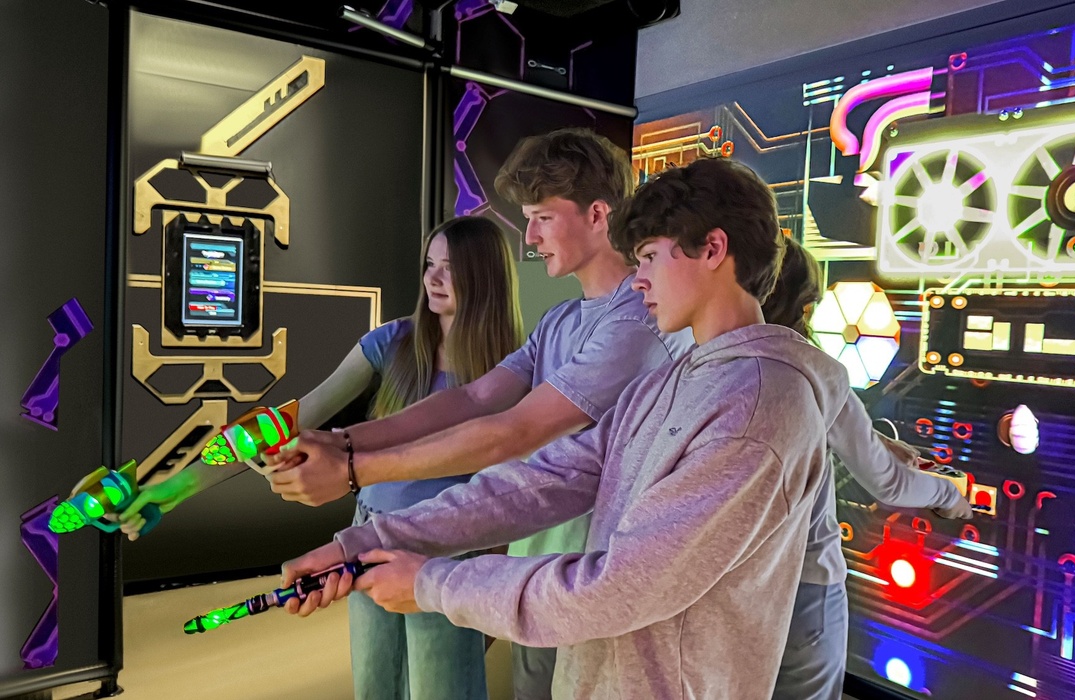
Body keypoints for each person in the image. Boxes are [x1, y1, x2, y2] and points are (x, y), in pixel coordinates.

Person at [278, 158, 971, 699]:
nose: (635, 281)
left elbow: (618, 587)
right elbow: (545, 477)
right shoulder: (671, 378)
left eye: (647, 257)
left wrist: (430, 583)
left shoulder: (762, 404)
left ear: (712, 250)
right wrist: (367, 540)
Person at [266, 127, 694, 699]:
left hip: (600, 571)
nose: (531, 236)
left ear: (598, 213)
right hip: (534, 559)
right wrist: (345, 446)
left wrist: (351, 468)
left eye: (542, 216)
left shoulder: (635, 320)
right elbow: (474, 399)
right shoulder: (561, 320)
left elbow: (515, 431)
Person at [119, 216, 523, 700]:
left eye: (450, 268)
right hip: (368, 535)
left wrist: (496, 579)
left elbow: (516, 487)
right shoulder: (392, 342)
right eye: (429, 265)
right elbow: (284, 422)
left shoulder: (514, 368)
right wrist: (174, 488)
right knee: (375, 687)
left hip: (450, 549)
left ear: (485, 275)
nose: (432, 279)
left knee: (444, 689)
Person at [762, 236, 971, 700]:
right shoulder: (815, 368)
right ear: (809, 304)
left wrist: (880, 442)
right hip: (807, 587)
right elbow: (888, 483)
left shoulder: (729, 363)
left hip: (751, 587)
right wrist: (949, 497)